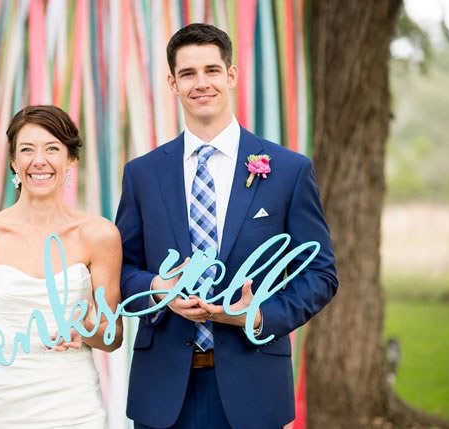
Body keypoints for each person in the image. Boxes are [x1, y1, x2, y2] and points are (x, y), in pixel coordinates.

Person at [115, 23, 338, 429]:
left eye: (212, 70)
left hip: (253, 387)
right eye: (188, 74)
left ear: (231, 75)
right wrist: (156, 289)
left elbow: (321, 275)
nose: (201, 83)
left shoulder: (288, 171)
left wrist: (256, 315)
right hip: (162, 392)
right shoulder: (142, 174)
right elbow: (121, 269)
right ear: (172, 83)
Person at [0, 105, 123, 428]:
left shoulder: (99, 235)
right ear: (14, 161)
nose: (39, 160)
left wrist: (84, 329)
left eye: (52, 149)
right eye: (27, 150)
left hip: (74, 406)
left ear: (71, 159)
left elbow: (112, 336)